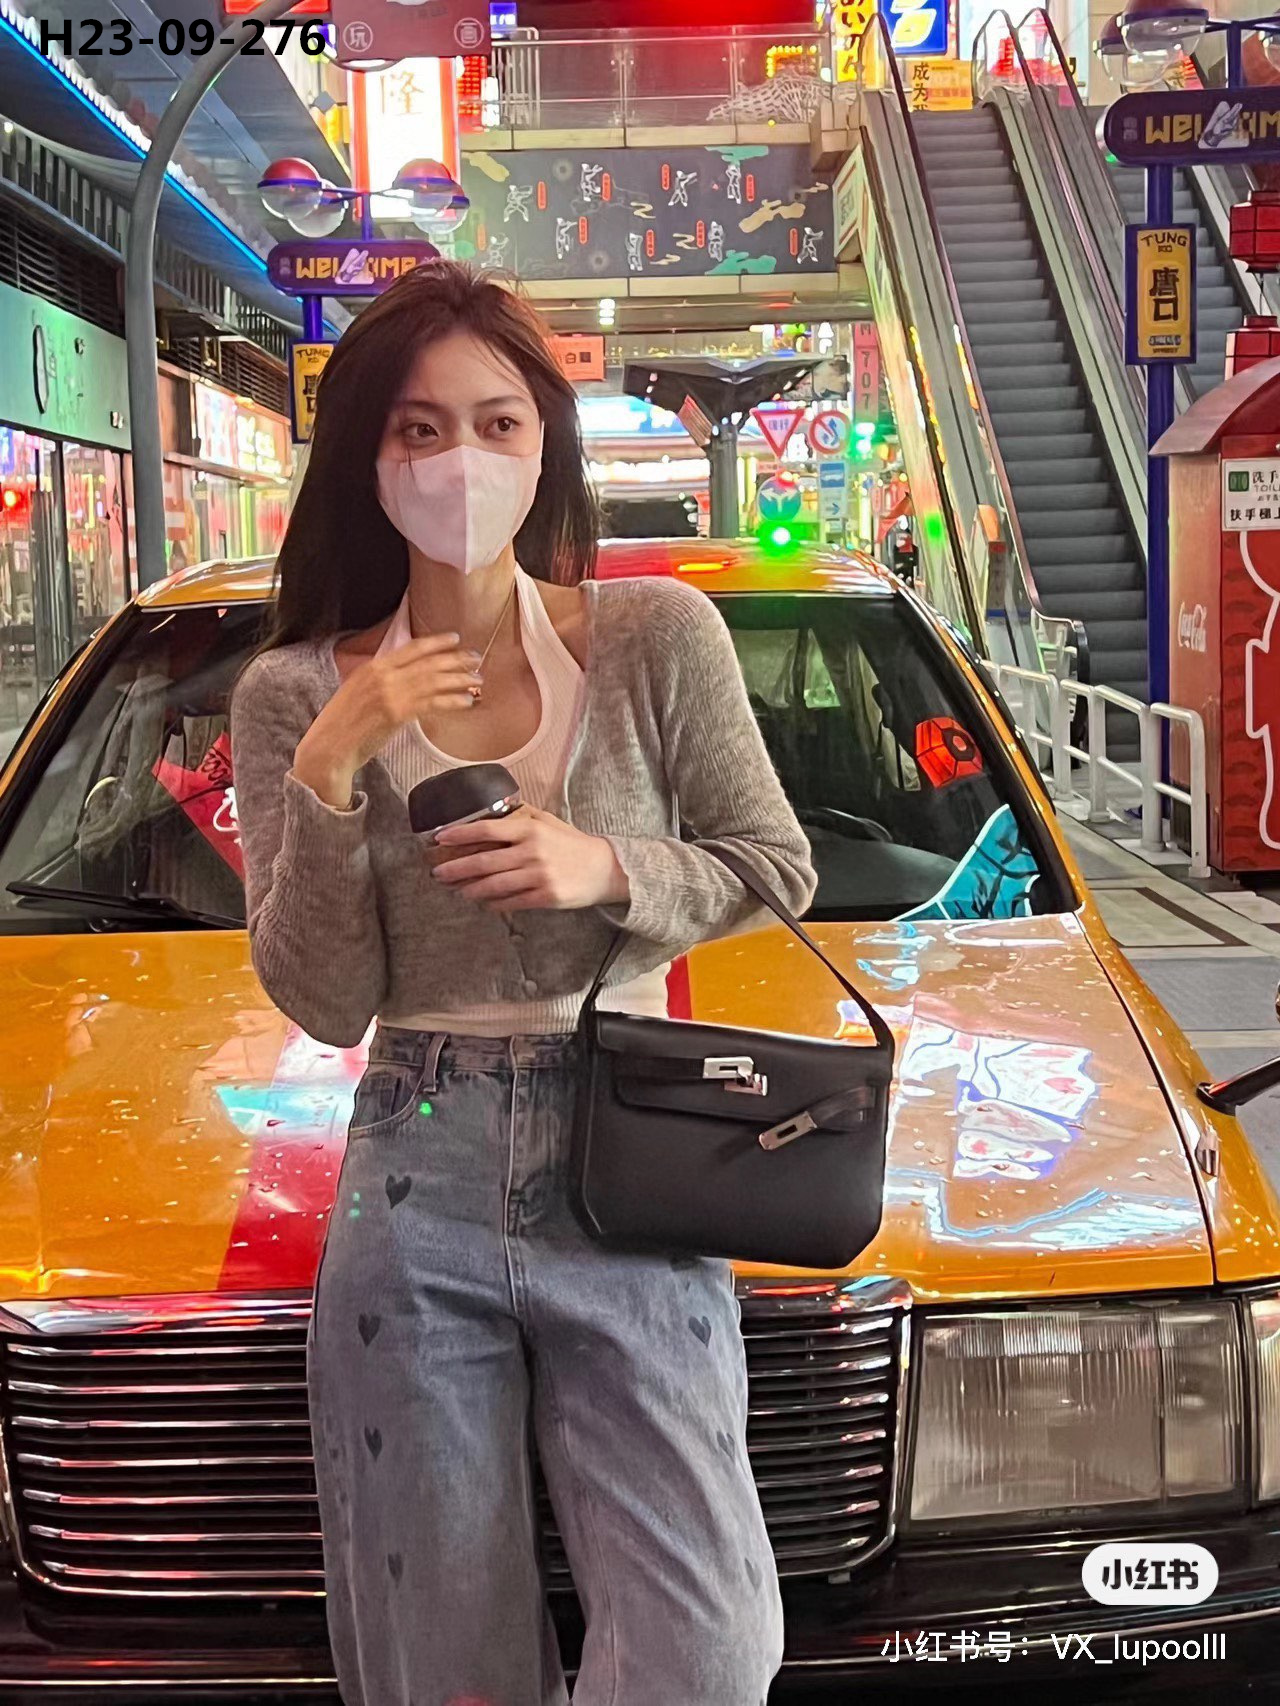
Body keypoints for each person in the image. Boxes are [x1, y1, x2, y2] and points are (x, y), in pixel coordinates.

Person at [230, 260, 815, 1706]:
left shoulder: (654, 636)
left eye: (497, 422)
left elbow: (773, 863)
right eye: (419, 428)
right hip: (414, 1151)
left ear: (545, 438)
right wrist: (333, 765)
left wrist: (601, 865)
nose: (461, 460)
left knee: (707, 1647)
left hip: (631, 1145)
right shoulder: (293, 692)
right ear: (367, 456)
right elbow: (323, 997)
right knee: (441, 1660)